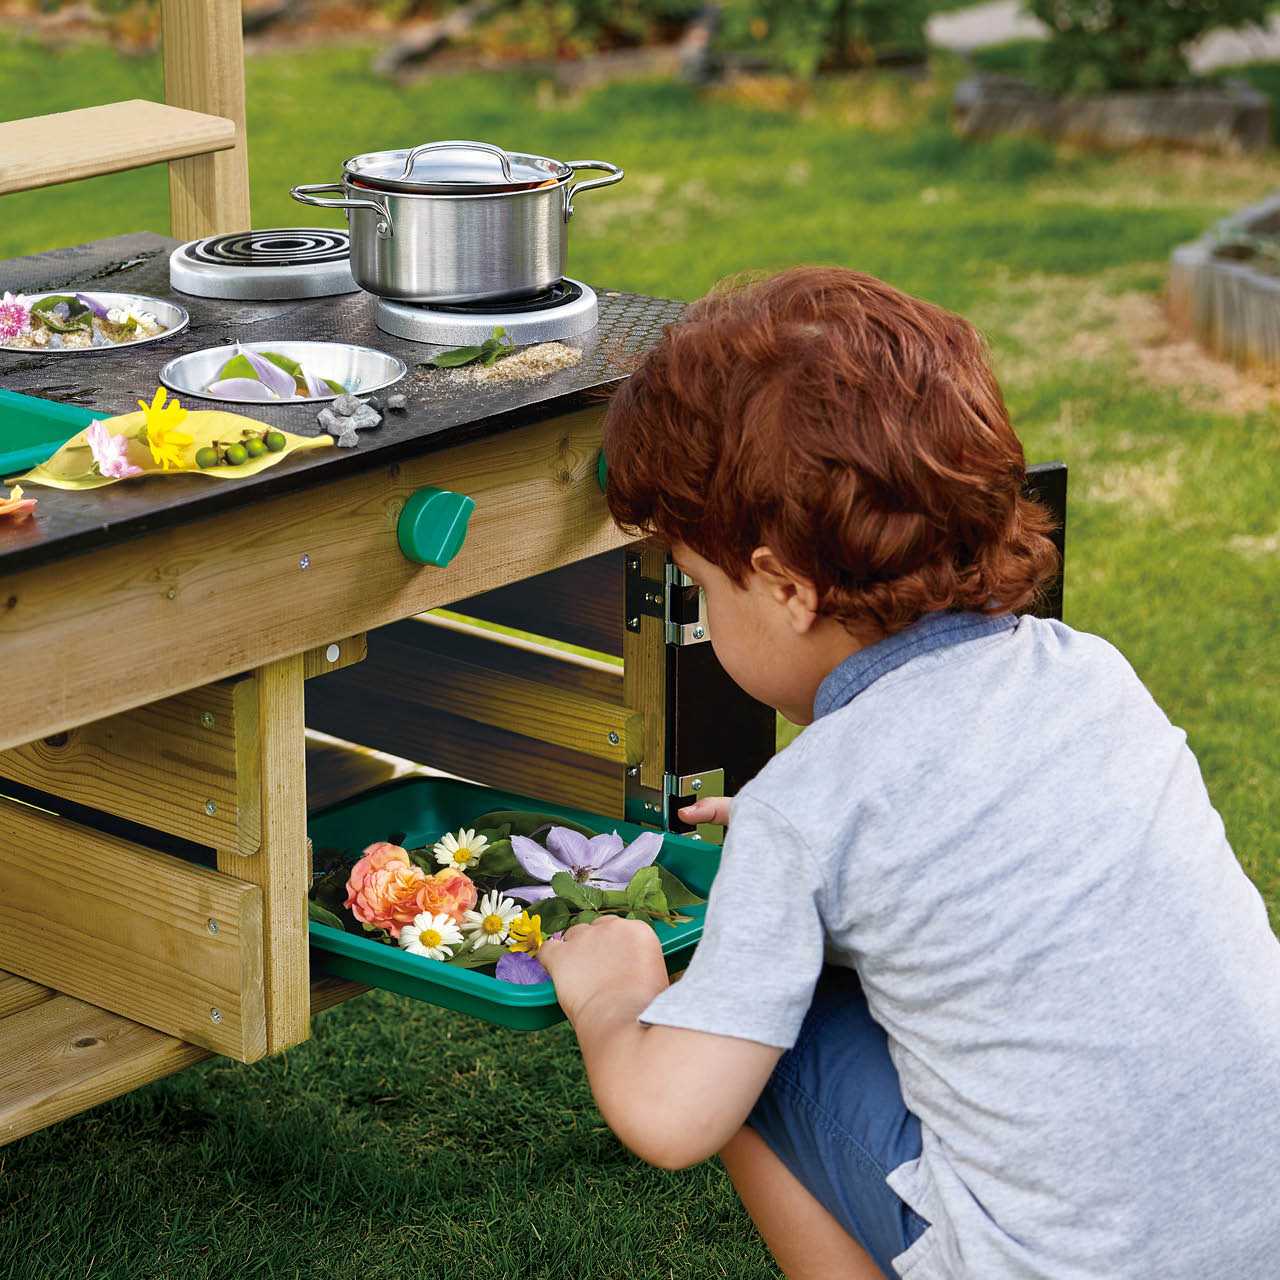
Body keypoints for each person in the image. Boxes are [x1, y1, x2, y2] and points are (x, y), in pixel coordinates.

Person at [536, 266, 1280, 1280]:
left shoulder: (806, 810)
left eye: (700, 588)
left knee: (759, 1036)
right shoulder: (1088, 676)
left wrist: (619, 998)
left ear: (783, 586)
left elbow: (672, 1115)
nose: (703, 619)